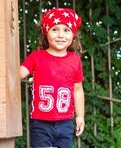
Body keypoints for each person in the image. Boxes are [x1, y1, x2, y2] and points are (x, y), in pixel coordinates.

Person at [20, 8, 85, 148]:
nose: (61, 35)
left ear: (73, 35)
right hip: (40, 123)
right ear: (46, 33)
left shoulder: (75, 61)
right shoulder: (36, 57)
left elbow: (78, 90)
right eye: (55, 29)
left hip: (65, 122)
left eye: (66, 30)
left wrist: (80, 116)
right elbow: (17, 75)